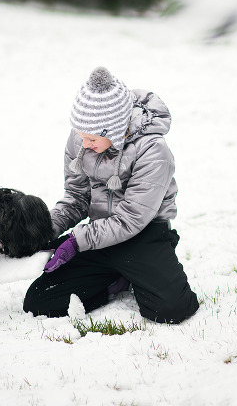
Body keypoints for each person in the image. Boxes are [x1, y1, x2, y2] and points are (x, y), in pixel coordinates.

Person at [23, 67, 199, 324]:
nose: (84, 144)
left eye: (91, 139)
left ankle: (142, 272)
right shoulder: (81, 138)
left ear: (114, 130)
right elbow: (76, 196)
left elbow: (131, 219)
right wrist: (44, 230)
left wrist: (76, 240)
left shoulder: (153, 151)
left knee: (171, 310)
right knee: (40, 302)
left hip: (144, 234)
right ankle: (115, 279)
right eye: (81, 136)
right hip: (99, 236)